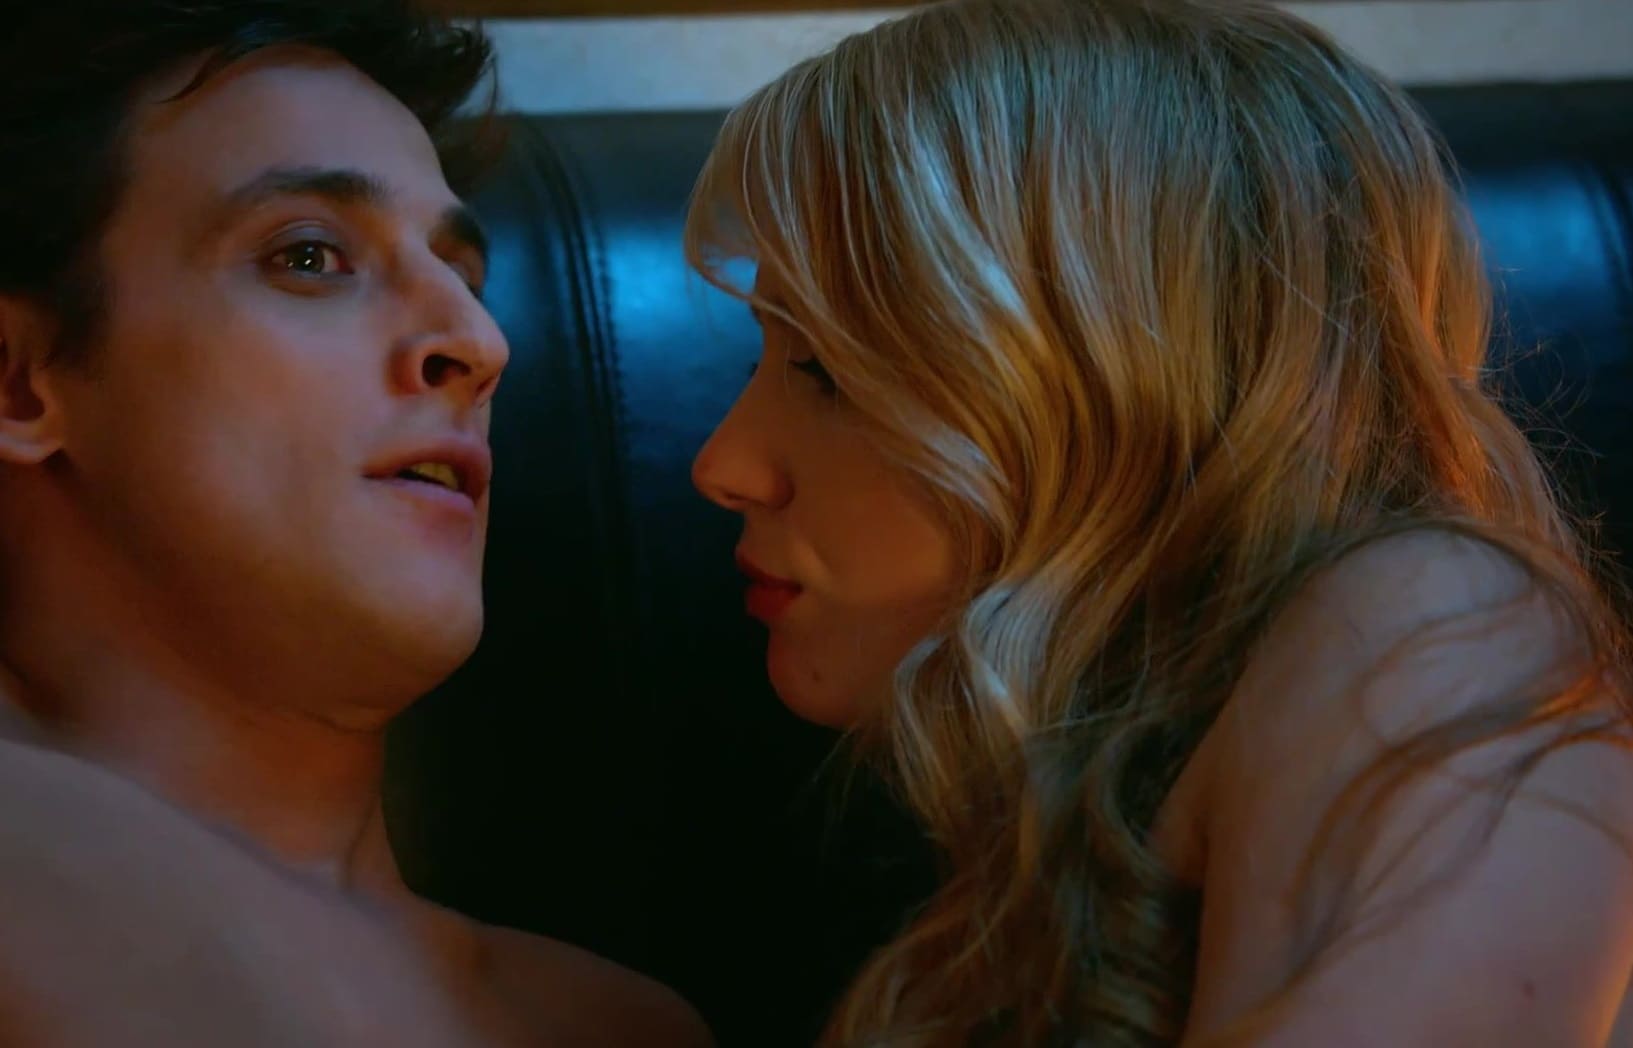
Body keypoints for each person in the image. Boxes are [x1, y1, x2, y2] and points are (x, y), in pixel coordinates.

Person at [686, 0, 1633, 1043]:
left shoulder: (1431, 625)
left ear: (1125, 378)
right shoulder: (1060, 823)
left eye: (824, 368)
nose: (721, 465)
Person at [0, 2, 710, 1044]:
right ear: (18, 383)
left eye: (465, 277)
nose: (478, 343)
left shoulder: (614, 1025)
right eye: (308, 257)